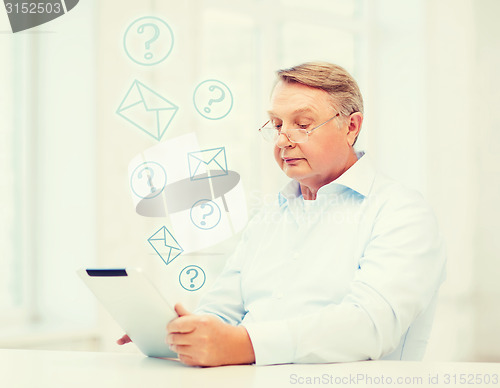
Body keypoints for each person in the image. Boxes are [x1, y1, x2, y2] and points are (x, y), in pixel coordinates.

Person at [118, 62, 446, 367]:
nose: (282, 140)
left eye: (302, 125)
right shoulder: (270, 215)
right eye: (276, 124)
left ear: (351, 126)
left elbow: (372, 326)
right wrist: (184, 333)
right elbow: (224, 309)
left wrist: (244, 344)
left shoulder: (401, 212)